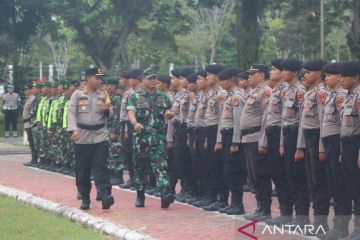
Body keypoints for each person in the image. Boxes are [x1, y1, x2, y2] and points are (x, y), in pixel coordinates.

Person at [127, 67, 175, 208]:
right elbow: (131, 112)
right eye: (150, 78)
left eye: (155, 78)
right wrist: (135, 123)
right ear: (143, 80)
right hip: (141, 138)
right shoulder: (135, 96)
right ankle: (140, 195)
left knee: (161, 166)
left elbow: (170, 110)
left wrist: (169, 114)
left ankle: (165, 194)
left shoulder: (163, 97)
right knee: (140, 168)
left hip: (158, 137)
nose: (153, 80)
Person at [67, 67, 114, 210]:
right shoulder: (77, 94)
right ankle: (85, 197)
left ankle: (105, 194)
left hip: (100, 135)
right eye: (96, 78)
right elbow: (71, 113)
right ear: (88, 78)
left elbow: (110, 115)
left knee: (101, 166)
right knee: (83, 169)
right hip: (82, 137)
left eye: (100, 78)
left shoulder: (104, 94)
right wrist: (73, 130)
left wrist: (107, 110)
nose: (100, 80)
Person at [319, 62, 351, 240]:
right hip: (329, 143)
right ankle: (338, 226)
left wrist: (340, 149)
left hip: (338, 143)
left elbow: (343, 126)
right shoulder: (332, 96)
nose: (326, 78)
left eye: (329, 75)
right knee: (334, 187)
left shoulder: (342, 97)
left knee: (341, 187)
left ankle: (342, 227)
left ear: (339, 77)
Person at [298, 60, 329, 231]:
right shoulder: (311, 92)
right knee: (312, 181)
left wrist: (321, 147)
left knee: (319, 181)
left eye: (309, 72)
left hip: (318, 138)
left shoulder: (321, 93)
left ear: (317, 73)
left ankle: (321, 221)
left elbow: (323, 122)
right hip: (309, 139)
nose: (306, 75)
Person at [241, 64, 272, 222]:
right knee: (253, 175)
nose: (249, 78)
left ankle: (265, 208)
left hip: (256, 137)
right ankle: (260, 205)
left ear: (261, 75)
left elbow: (266, 117)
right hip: (247, 138)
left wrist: (263, 141)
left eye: (252, 75)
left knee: (260, 174)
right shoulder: (255, 91)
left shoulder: (266, 91)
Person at [280, 58, 309, 227]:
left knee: (299, 178)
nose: (283, 73)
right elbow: (285, 120)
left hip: (297, 136)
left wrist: (299, 146)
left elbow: (302, 121)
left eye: (286, 70)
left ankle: (302, 217)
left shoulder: (300, 91)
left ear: (295, 73)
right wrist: (283, 143)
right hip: (288, 135)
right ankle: (293, 215)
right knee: (290, 176)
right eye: (282, 70)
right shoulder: (288, 91)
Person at [217, 68, 246, 215]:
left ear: (232, 80)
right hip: (226, 135)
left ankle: (237, 203)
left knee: (234, 170)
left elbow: (238, 121)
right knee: (228, 170)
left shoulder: (236, 97)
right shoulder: (228, 96)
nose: (221, 82)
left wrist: (235, 142)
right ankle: (232, 202)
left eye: (224, 80)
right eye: (220, 80)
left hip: (233, 137)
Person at [338, 61, 360, 240]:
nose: (341, 79)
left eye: (345, 76)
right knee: (352, 188)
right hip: (346, 146)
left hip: (356, 146)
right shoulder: (349, 96)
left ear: (356, 77)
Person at [119, 68, 142, 190]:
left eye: (131, 78)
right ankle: (132, 179)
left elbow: (131, 113)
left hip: (132, 125)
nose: (129, 80)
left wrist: (128, 130)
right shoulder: (128, 92)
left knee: (135, 154)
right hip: (125, 124)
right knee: (128, 153)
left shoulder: (138, 93)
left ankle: (137, 180)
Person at [23, 83, 37, 166]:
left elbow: (32, 113)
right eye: (25, 90)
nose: (25, 91)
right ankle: (33, 158)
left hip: (30, 123)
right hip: (27, 123)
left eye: (27, 89)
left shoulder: (32, 99)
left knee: (32, 142)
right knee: (30, 142)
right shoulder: (28, 99)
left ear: (31, 90)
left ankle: (35, 159)